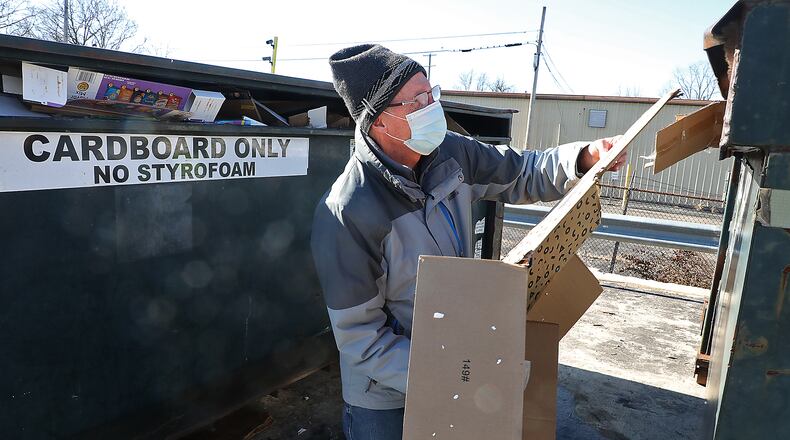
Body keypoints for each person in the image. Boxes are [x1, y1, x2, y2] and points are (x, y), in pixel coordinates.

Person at [310, 44, 624, 440]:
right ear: (380, 122)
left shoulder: (449, 155)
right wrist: (455, 374)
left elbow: (522, 171)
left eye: (431, 94)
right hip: (385, 396)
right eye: (417, 102)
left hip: (456, 360)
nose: (432, 108)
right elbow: (361, 338)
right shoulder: (347, 213)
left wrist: (582, 158)